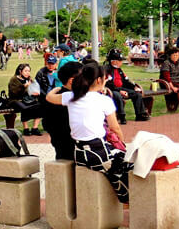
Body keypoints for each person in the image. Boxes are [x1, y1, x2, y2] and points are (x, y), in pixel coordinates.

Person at [45, 63, 133, 204]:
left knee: (116, 164)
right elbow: (115, 128)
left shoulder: (70, 96)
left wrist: (55, 88)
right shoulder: (104, 100)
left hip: (79, 152)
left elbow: (49, 97)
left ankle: (123, 197)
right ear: (99, 81)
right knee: (130, 162)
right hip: (97, 152)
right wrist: (122, 145)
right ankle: (126, 199)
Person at [41, 61, 81, 161]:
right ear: (72, 80)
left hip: (59, 144)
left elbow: (46, 123)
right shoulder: (75, 98)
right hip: (73, 146)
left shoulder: (53, 97)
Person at [103, 49, 149, 123]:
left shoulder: (119, 70)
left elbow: (126, 81)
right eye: (120, 60)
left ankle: (140, 114)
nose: (121, 62)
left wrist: (134, 87)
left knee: (137, 94)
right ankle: (122, 116)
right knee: (118, 95)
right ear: (114, 61)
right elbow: (108, 84)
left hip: (121, 88)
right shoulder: (106, 69)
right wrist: (120, 91)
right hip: (112, 90)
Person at [8, 63, 42, 135]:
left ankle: (35, 128)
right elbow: (15, 93)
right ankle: (25, 129)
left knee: (40, 105)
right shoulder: (14, 79)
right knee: (25, 108)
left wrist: (34, 92)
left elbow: (32, 89)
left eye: (29, 71)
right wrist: (24, 86)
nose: (28, 73)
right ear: (20, 71)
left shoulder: (29, 79)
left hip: (27, 99)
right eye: (25, 71)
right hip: (15, 100)